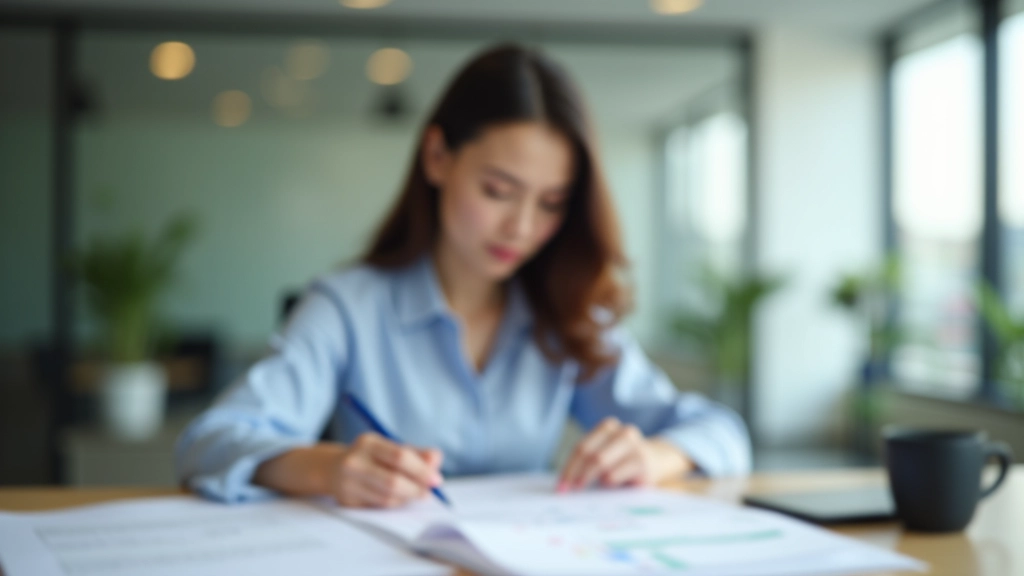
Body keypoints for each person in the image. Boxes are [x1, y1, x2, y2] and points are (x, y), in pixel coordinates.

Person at [175, 43, 751, 507]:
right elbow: (209, 442)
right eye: (498, 191)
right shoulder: (347, 307)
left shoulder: (568, 310)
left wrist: (654, 457)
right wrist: (327, 467)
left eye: (551, 203)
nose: (521, 227)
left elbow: (720, 431)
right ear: (437, 158)